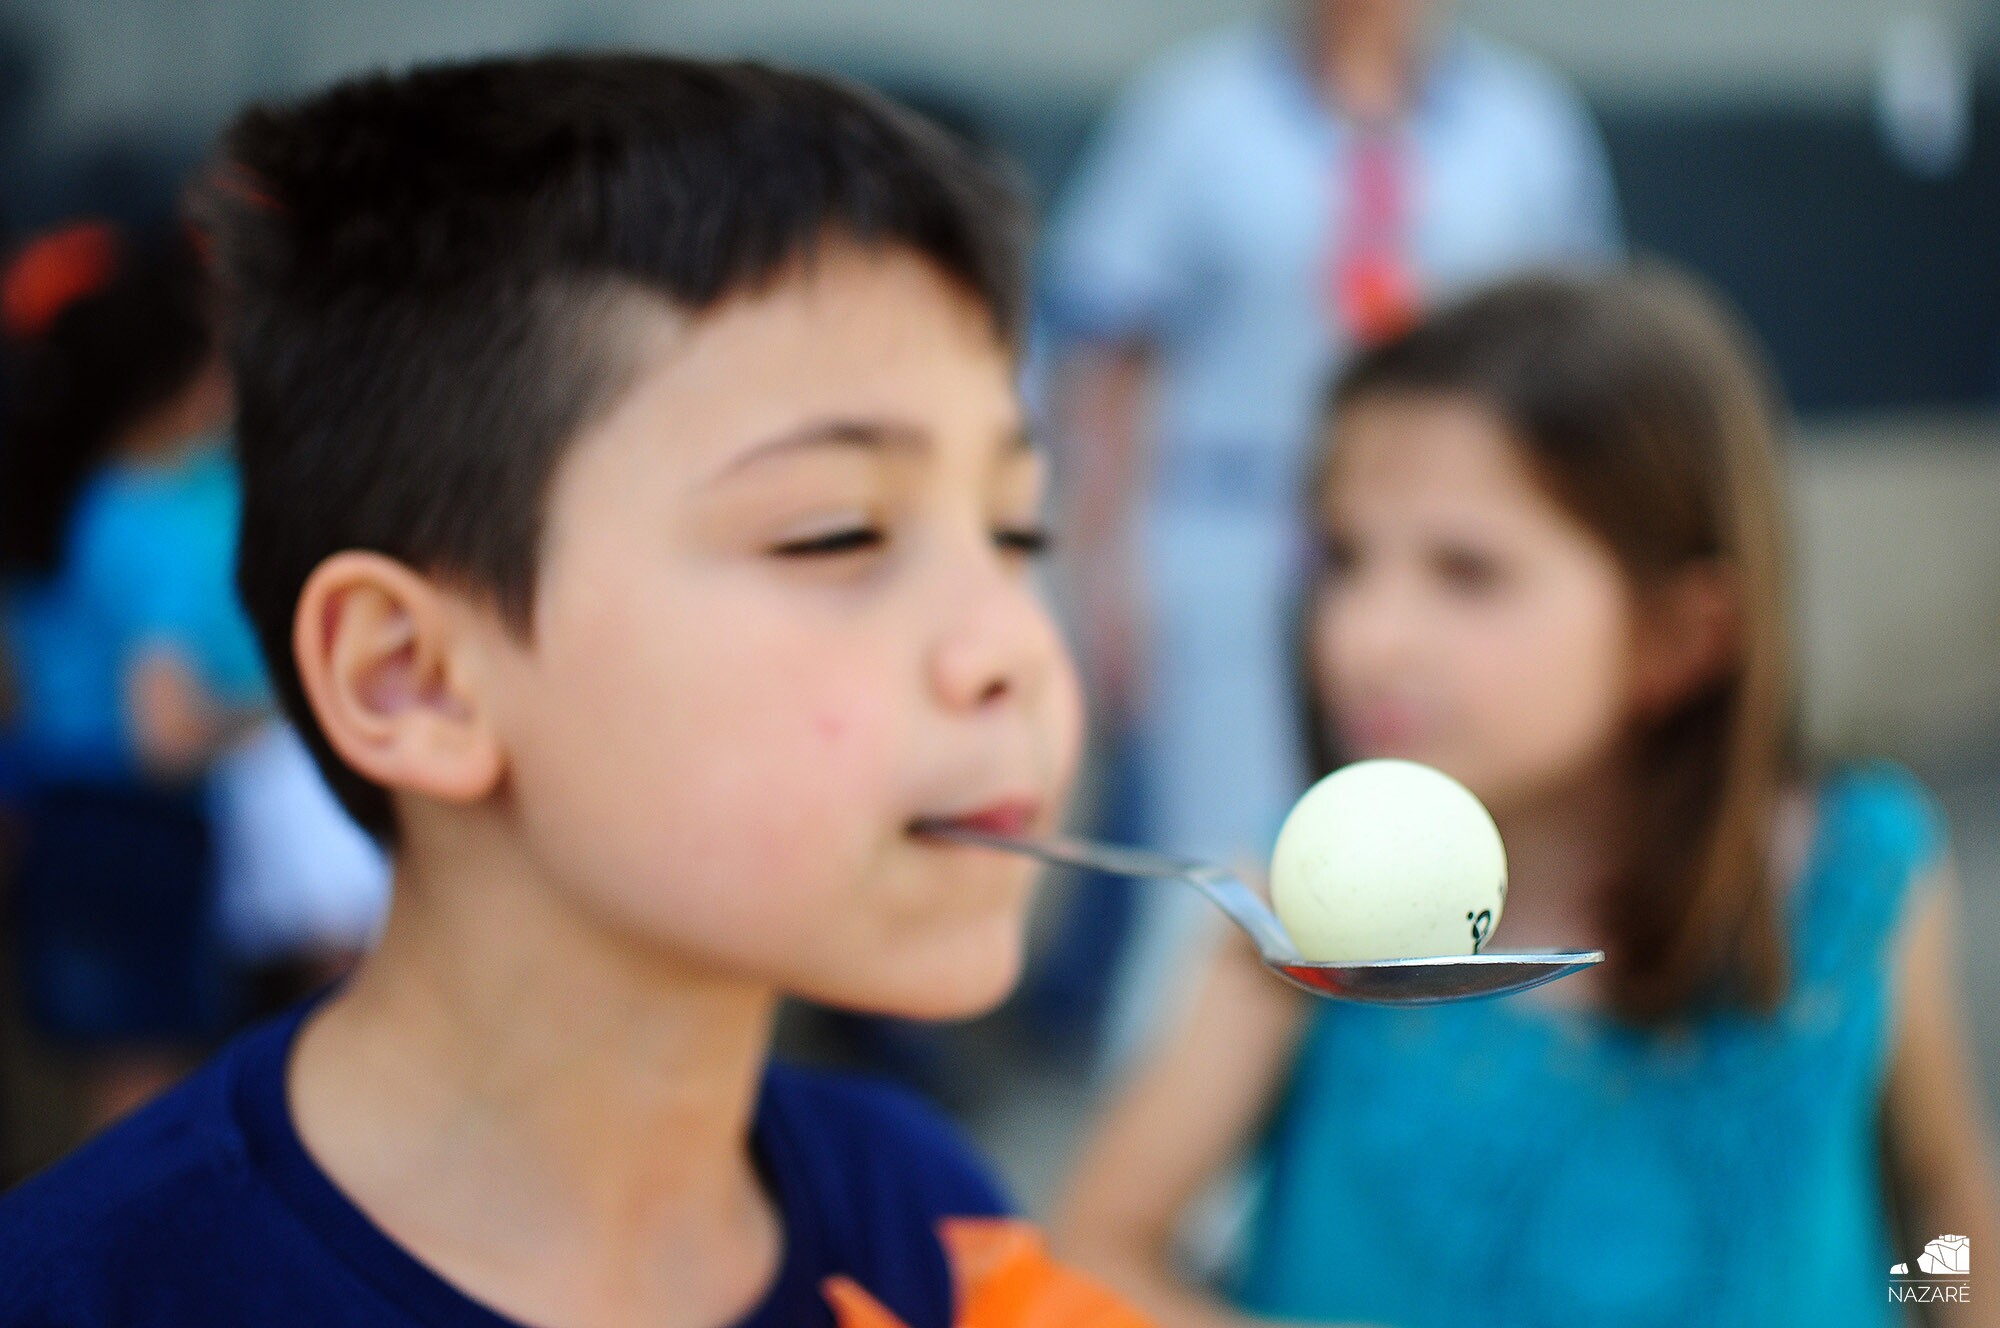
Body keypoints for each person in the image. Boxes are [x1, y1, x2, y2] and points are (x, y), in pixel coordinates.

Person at [0, 54, 1141, 1328]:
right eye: (836, 532)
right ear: (412, 676)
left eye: (1018, 533)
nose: (1012, 645)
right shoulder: (93, 1293)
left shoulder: (918, 1215)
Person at [1051, 270, 2000, 1326]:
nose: (1364, 635)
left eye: (1466, 571)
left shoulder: (1861, 871)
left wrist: (1943, 1303)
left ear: (1675, 636)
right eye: (1343, 559)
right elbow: (1094, 1254)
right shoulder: (1297, 903)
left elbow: (1937, 1194)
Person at [1039, 0, 1623, 1067]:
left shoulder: (1523, 122)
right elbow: (1104, 354)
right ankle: (1189, 1140)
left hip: (1444, 544)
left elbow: (1578, 361)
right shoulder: (1194, 110)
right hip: (1224, 528)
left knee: (1428, 837)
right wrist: (1103, 575)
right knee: (1222, 856)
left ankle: (1392, 1111)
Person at [0, 221, 266, 1128]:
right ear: (177, 382)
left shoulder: (71, 495)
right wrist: (277, 713)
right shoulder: (157, 525)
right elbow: (167, 738)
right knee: (142, 1100)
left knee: (103, 1086)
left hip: (63, 817)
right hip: (137, 831)